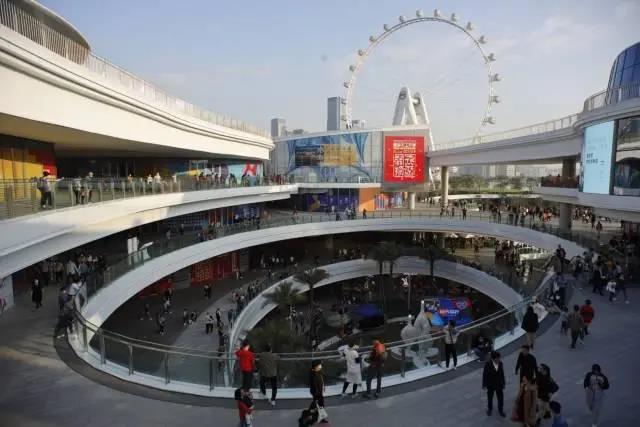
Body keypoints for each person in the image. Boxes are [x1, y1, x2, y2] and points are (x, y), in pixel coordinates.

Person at [482, 351, 506, 417]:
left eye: (499, 358)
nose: (499, 359)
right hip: (491, 384)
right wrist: (484, 385)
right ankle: (490, 409)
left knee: (500, 398)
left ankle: (501, 410)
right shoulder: (488, 365)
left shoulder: (500, 363)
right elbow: (485, 375)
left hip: (499, 384)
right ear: (493, 359)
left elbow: (502, 374)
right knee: (490, 397)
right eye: (497, 358)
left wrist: (503, 383)